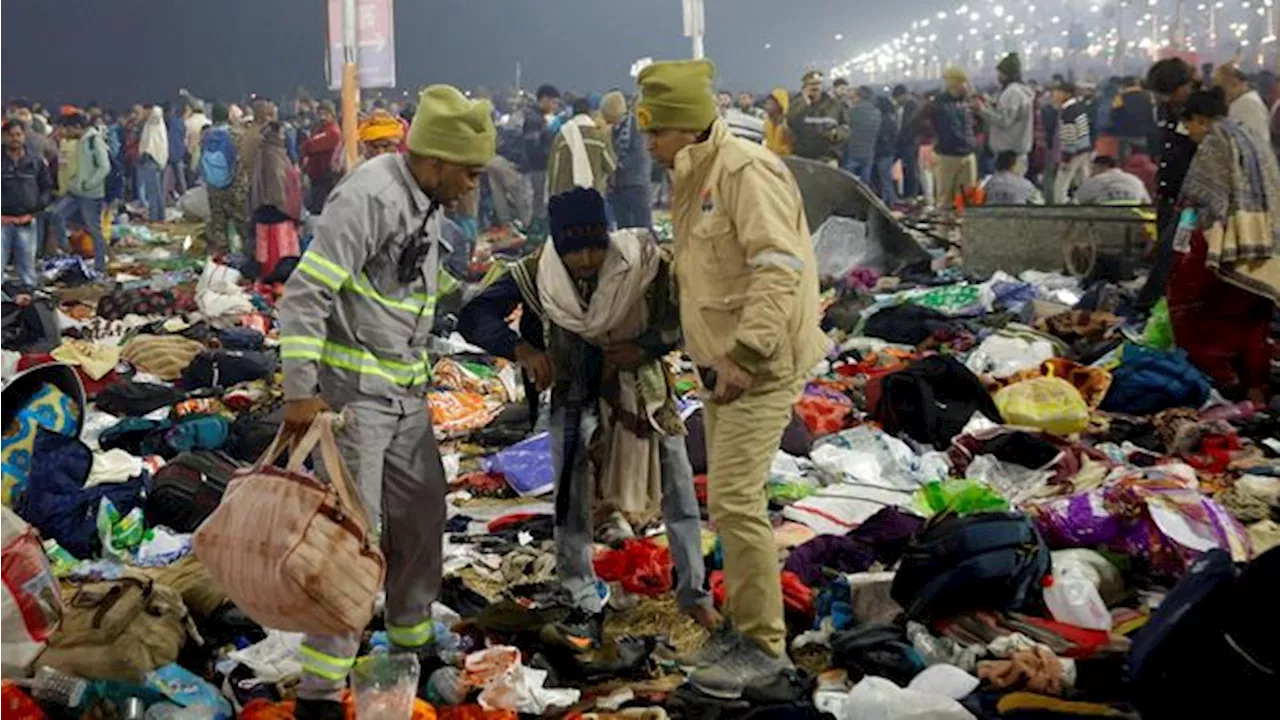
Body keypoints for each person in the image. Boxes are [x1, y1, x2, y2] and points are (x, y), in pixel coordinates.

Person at [278, 85, 494, 720]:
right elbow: (304, 296)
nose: (473, 185)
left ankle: (410, 645)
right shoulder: (369, 196)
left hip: (404, 395)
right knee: (352, 544)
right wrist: (300, 396)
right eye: (470, 172)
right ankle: (320, 692)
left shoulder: (426, 204)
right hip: (353, 405)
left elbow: (407, 292)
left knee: (423, 521)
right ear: (435, 160)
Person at [637, 59, 828, 698]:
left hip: (760, 364)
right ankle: (743, 630)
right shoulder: (695, 176)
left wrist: (746, 354)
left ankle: (763, 649)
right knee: (726, 497)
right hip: (722, 366)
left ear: (685, 127)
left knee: (736, 503)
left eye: (655, 131)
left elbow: (779, 268)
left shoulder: (745, 171)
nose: (648, 144)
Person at [456, 187, 715, 649]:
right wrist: (524, 350)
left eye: (596, 245)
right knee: (571, 499)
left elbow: (685, 318)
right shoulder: (538, 273)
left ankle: (692, 590)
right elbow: (474, 315)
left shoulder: (643, 265)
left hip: (644, 395)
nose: (588, 259)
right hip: (574, 396)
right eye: (575, 250)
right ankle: (579, 591)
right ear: (557, 245)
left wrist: (646, 346)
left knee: (676, 485)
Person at [1168, 88, 1280, 403]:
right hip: (1263, 247)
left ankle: (1216, 383)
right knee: (1255, 317)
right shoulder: (1253, 139)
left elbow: (1200, 201)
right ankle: (1255, 388)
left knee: (1198, 314)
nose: (1189, 134)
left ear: (1201, 120)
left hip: (1223, 246)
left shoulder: (1216, 141)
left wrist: (1179, 245)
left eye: (1189, 126)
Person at [1139, 57, 1199, 307]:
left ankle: (1154, 307)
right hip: (1168, 197)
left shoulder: (1198, 114)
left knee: (1172, 257)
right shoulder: (1167, 111)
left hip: (1189, 204)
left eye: (1166, 93)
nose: (1163, 99)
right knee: (1165, 255)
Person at [51, 113, 110, 272]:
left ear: (77, 127)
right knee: (57, 214)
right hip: (76, 191)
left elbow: (104, 167)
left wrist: (87, 184)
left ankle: (100, 266)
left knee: (93, 229)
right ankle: (66, 249)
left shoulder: (93, 140)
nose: (66, 132)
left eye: (68, 128)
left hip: (91, 194)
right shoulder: (80, 142)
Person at [916, 68, 978, 213]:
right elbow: (918, 121)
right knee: (945, 201)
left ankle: (962, 229)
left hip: (967, 155)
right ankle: (944, 232)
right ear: (955, 84)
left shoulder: (967, 103)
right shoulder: (937, 103)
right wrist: (936, 135)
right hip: (946, 156)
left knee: (967, 200)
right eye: (965, 83)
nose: (969, 86)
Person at [0, 121, 52, 288]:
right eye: (11, 135)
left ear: (24, 137)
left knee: (28, 268)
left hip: (27, 222)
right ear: (3, 137)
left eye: (18, 135)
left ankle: (30, 305)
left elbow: (47, 187)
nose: (14, 139)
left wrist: (37, 207)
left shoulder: (36, 161)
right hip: (2, 222)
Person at [546, 98, 617, 198]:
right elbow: (611, 166)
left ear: (573, 113)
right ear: (590, 113)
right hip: (592, 196)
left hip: (565, 197)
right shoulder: (600, 137)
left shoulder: (561, 137)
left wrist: (552, 193)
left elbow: (554, 169)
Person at [978, 53, 1035, 175]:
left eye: (1000, 73)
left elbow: (1004, 120)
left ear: (1006, 74)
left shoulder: (1012, 92)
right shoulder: (1021, 91)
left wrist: (981, 110)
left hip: (1009, 154)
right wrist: (991, 105)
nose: (998, 77)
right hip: (1017, 151)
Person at [605, 91, 653, 229]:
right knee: (623, 229)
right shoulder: (614, 129)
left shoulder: (637, 126)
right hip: (618, 187)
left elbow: (640, 155)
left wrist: (614, 165)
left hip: (636, 185)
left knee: (641, 227)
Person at [202, 103, 242, 255]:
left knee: (219, 223)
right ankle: (240, 256)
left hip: (213, 186)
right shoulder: (235, 134)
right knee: (239, 223)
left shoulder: (206, 136)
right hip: (233, 185)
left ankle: (223, 256)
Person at [787, 70, 850, 165]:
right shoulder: (796, 105)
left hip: (827, 158)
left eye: (818, 84)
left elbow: (846, 127)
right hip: (801, 158)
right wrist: (804, 103)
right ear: (805, 87)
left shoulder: (834, 105)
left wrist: (837, 133)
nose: (815, 87)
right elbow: (790, 122)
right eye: (811, 84)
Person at [1214, 63, 1274, 156]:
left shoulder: (1249, 105)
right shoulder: (1241, 101)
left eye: (1219, 86)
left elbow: (1255, 143)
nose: (1217, 91)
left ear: (1233, 83)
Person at [524, 84, 562, 229]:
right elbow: (533, 147)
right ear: (544, 99)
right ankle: (536, 234)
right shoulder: (534, 119)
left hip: (538, 167)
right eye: (554, 102)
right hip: (537, 167)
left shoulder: (538, 117)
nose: (555, 106)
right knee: (538, 203)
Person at [1052, 82, 1093, 203]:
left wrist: (1066, 157)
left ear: (1067, 94)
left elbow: (1069, 136)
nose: (1054, 95)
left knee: (1061, 184)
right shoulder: (1079, 107)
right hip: (1084, 149)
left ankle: (1060, 207)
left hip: (1073, 152)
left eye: (1057, 93)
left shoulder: (1068, 112)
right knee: (1083, 181)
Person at [301, 101, 342, 213]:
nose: (322, 117)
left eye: (326, 114)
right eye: (320, 114)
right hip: (315, 177)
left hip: (325, 178)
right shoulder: (318, 129)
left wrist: (308, 145)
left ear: (332, 115)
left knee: (320, 209)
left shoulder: (333, 132)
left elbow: (309, 145)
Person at [1109, 76, 1156, 160]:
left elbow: (1114, 115)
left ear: (1124, 85)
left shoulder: (1120, 97)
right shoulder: (1148, 96)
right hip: (1143, 134)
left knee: (1125, 161)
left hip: (1124, 135)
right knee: (1142, 159)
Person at [1074, 155, 1152, 205]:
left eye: (1093, 168)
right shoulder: (1135, 179)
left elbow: (1079, 198)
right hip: (1132, 219)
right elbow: (1147, 203)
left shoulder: (1097, 180)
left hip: (1106, 218)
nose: (1092, 172)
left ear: (1101, 166)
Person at [843, 86, 882, 184]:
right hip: (869, 151)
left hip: (853, 151)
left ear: (859, 97)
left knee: (848, 180)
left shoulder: (853, 111)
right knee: (865, 182)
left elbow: (846, 128)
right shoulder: (876, 112)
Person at [138, 107, 168, 221]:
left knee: (152, 193)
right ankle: (160, 216)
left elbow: (156, 113)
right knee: (157, 191)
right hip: (155, 159)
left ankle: (154, 217)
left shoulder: (154, 121)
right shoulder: (154, 124)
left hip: (152, 159)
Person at [893, 85, 922, 200]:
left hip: (909, 143)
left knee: (911, 169)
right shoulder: (909, 106)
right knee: (908, 169)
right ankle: (909, 193)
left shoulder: (912, 106)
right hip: (908, 143)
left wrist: (902, 139)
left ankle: (911, 194)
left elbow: (908, 126)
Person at [873, 95, 899, 205]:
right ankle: (888, 200)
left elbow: (881, 136)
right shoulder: (891, 118)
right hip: (888, 152)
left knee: (885, 179)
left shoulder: (884, 120)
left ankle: (891, 201)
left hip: (883, 153)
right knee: (886, 178)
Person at [164, 103, 187, 200]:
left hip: (168, 154)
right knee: (181, 179)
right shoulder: (181, 122)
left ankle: (164, 198)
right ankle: (185, 198)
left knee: (165, 180)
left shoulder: (167, 122)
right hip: (179, 153)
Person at [762, 88, 793, 157]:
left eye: (770, 103)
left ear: (779, 105)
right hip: (769, 159)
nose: (767, 106)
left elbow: (791, 147)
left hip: (785, 161)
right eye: (766, 103)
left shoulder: (788, 124)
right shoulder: (767, 123)